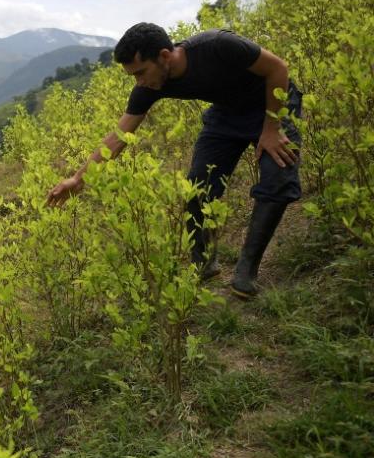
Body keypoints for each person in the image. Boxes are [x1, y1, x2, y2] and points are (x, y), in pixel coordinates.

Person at [46, 22, 303, 299]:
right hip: (226, 114)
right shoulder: (150, 85)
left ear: (165, 56)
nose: (139, 81)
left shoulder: (217, 45)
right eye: (133, 76)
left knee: (278, 176)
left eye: (141, 72)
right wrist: (78, 178)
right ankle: (203, 263)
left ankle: (246, 272)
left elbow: (278, 69)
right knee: (197, 186)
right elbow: (119, 136)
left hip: (272, 104)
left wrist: (271, 128)